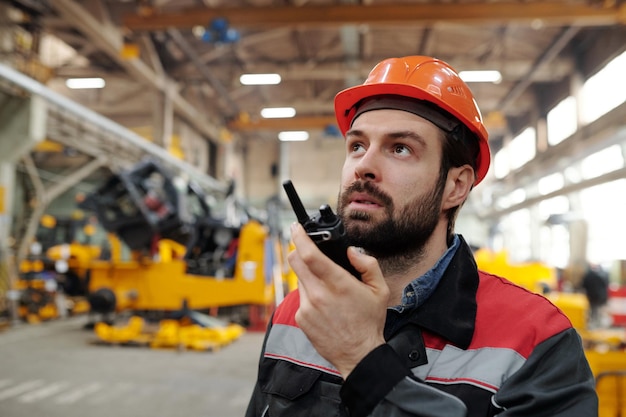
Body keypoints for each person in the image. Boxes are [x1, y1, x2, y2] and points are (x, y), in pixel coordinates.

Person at [245, 56, 598, 417]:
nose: (363, 165)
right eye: (356, 146)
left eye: (400, 148)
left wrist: (363, 360)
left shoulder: (536, 340)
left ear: (456, 186)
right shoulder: (297, 312)